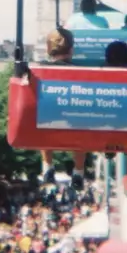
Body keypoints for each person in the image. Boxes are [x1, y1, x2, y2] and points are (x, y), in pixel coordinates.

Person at [41, 28, 90, 191]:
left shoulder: (39, 70)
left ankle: (47, 167)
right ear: (71, 49)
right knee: (81, 125)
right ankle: (78, 171)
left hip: (48, 120)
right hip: (74, 118)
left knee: (42, 120)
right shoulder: (81, 71)